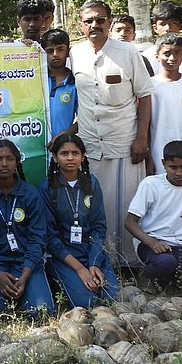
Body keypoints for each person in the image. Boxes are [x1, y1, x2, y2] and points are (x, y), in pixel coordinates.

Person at [69, 1, 153, 269]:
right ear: (81, 25)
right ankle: (99, 261)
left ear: (109, 22)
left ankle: (128, 263)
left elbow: (145, 96)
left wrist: (142, 138)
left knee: (125, 204)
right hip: (90, 143)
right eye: (88, 21)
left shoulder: (128, 52)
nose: (94, 25)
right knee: (95, 205)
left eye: (100, 20)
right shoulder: (75, 53)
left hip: (123, 141)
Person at [124, 141, 182, 293]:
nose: (179, 173)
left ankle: (175, 278)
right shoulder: (151, 184)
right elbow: (130, 222)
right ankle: (147, 277)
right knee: (166, 262)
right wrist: (152, 243)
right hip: (152, 243)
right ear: (164, 164)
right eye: (173, 167)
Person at [0, 139, 53, 318]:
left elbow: (37, 239)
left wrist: (25, 276)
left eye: (9, 159)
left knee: (41, 312)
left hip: (26, 264)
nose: (4, 163)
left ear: (17, 162)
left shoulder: (31, 194)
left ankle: (25, 291)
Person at [42, 132, 118, 307]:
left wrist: (94, 264)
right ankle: (59, 280)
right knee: (87, 302)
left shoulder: (91, 183)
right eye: (64, 153)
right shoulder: (46, 187)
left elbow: (99, 227)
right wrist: (79, 269)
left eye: (75, 153)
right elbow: (50, 238)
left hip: (90, 252)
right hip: (63, 256)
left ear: (83, 157)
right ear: (55, 158)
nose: (70, 158)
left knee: (111, 296)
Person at [148, 34, 182, 175]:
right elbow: (145, 123)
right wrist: (148, 156)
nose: (172, 58)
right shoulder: (150, 85)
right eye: (167, 53)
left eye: (177, 53)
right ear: (157, 56)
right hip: (157, 151)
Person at [41, 28, 76, 142]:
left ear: (68, 52)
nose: (55, 54)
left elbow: (84, 119)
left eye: (60, 49)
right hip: (34, 143)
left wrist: (63, 135)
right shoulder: (36, 80)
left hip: (62, 145)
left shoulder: (75, 83)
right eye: (50, 51)